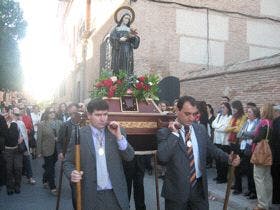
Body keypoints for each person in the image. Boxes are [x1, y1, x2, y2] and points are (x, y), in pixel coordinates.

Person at [157, 95, 240, 210]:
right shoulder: (165, 132)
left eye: (194, 114)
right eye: (187, 114)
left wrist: (228, 158)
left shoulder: (200, 129)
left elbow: (212, 149)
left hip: (199, 190)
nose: (191, 118)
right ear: (177, 110)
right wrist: (175, 134)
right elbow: (162, 157)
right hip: (176, 192)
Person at [63, 99, 134, 210]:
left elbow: (129, 156)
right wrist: (72, 173)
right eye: (98, 115)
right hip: (90, 194)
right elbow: (67, 162)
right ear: (89, 115)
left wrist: (119, 137)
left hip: (114, 193)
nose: (103, 118)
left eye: (105, 114)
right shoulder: (79, 134)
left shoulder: (116, 131)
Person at [252, 103, 274, 210]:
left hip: (261, 152)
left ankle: (262, 205)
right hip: (268, 152)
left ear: (265, 111)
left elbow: (257, 138)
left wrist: (253, 137)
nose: (260, 111)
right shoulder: (271, 122)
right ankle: (268, 202)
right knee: (267, 178)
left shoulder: (264, 122)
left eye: (261, 109)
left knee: (259, 177)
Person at [235, 106, 260, 199]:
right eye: (247, 112)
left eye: (249, 112)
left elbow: (255, 134)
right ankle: (249, 190)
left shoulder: (258, 122)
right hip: (243, 148)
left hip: (252, 149)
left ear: (255, 113)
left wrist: (244, 134)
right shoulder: (246, 122)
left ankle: (254, 192)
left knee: (251, 171)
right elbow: (238, 134)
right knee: (246, 170)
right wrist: (246, 134)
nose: (247, 114)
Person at [37, 107, 62, 196]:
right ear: (47, 114)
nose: (52, 113)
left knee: (50, 165)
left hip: (57, 148)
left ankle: (44, 178)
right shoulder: (42, 124)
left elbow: (62, 135)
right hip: (47, 148)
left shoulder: (59, 123)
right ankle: (53, 187)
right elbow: (39, 139)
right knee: (51, 168)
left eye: (54, 112)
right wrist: (38, 151)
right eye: (50, 112)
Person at [212, 102, 232, 183]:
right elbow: (213, 124)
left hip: (224, 142)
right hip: (217, 141)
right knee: (217, 160)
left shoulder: (230, 117)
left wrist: (218, 127)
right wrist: (219, 126)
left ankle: (223, 178)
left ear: (228, 108)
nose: (222, 109)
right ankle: (218, 175)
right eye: (221, 107)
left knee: (223, 161)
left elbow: (225, 129)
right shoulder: (219, 116)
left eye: (223, 107)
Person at [271, 105, 280, 205]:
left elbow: (272, 140)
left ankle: (276, 198)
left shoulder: (276, 122)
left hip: (276, 155)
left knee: (276, 177)